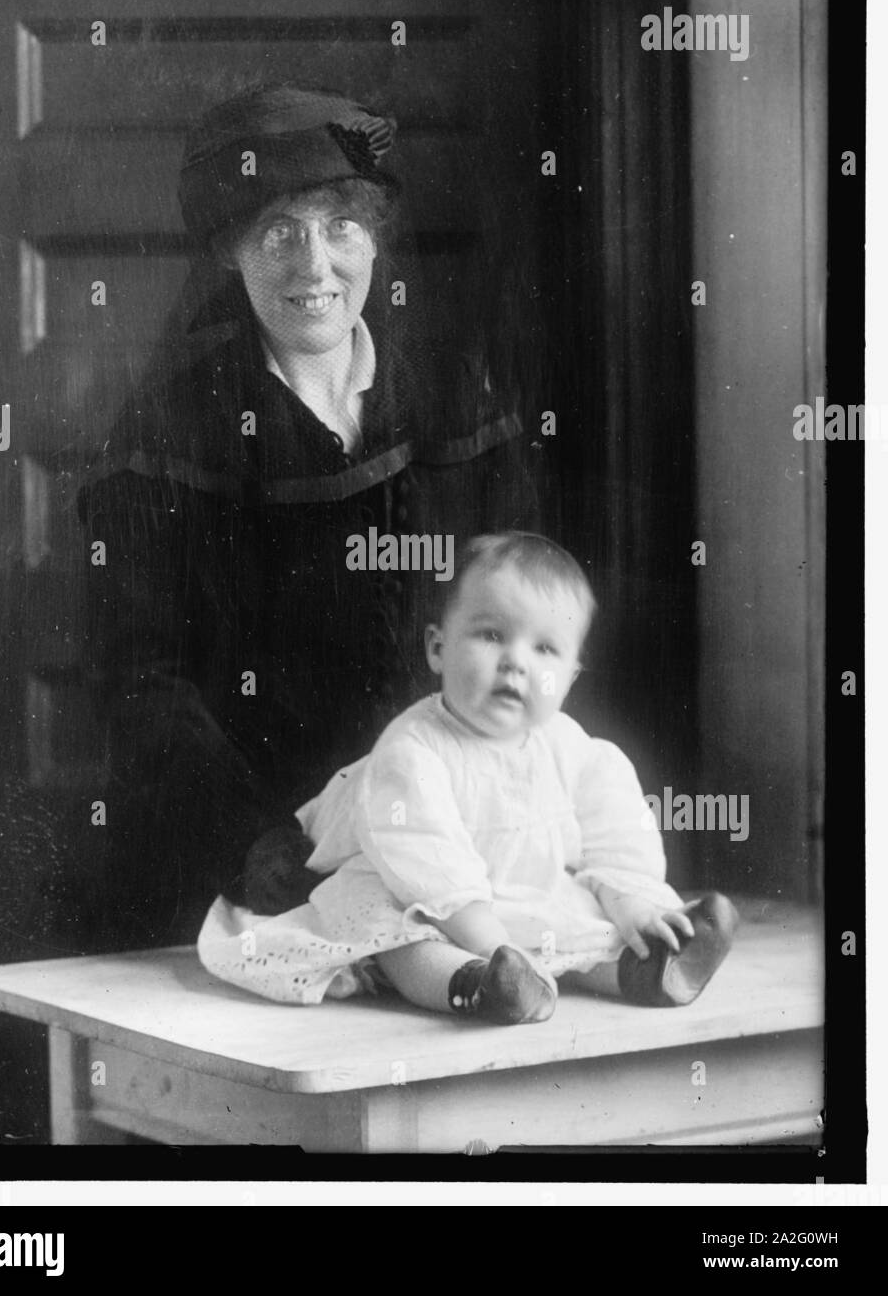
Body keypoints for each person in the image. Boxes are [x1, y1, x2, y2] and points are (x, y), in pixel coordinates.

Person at [79, 85, 545, 948]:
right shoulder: (165, 437)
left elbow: (525, 619)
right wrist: (260, 845)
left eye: (339, 228)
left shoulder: (452, 400)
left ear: (373, 236)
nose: (314, 267)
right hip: (258, 857)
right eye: (277, 233)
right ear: (228, 252)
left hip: (453, 835)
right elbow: (141, 685)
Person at [198, 532, 739, 1023]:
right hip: (398, 882)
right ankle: (476, 986)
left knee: (578, 924)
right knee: (399, 938)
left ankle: (643, 970)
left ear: (570, 677)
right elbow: (428, 865)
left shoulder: (572, 750)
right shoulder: (412, 751)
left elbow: (615, 837)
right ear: (438, 648)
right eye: (491, 635)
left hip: (503, 899)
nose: (516, 663)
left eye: (545, 648)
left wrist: (633, 905)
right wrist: (494, 945)